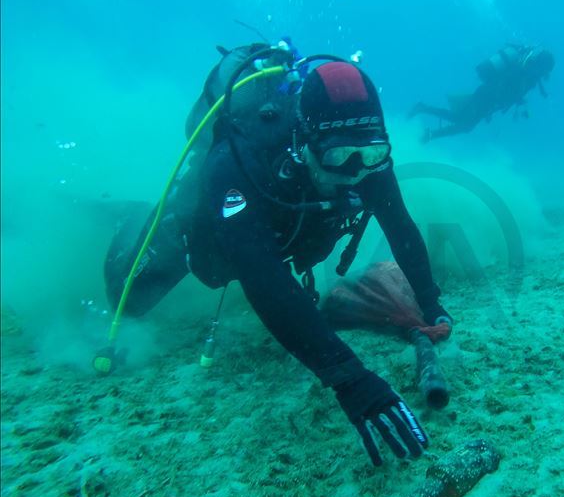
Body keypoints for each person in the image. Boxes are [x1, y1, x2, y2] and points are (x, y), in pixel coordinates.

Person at [103, 43, 453, 468]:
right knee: (133, 297)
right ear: (304, 141)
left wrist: (431, 302)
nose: (355, 170)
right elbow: (261, 274)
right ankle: (131, 215)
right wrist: (349, 377)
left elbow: (401, 226)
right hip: (211, 237)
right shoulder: (237, 161)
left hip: (284, 235)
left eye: (371, 155)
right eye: (338, 156)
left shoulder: (365, 154)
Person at [409, 44, 555, 143]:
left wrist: (514, 100)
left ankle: (428, 126)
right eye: (545, 69)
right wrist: (503, 100)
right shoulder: (523, 69)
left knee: (462, 122)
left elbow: (513, 91)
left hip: (490, 101)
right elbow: (505, 85)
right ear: (542, 65)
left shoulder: (530, 76)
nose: (545, 73)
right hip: (486, 97)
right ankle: (427, 123)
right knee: (462, 123)